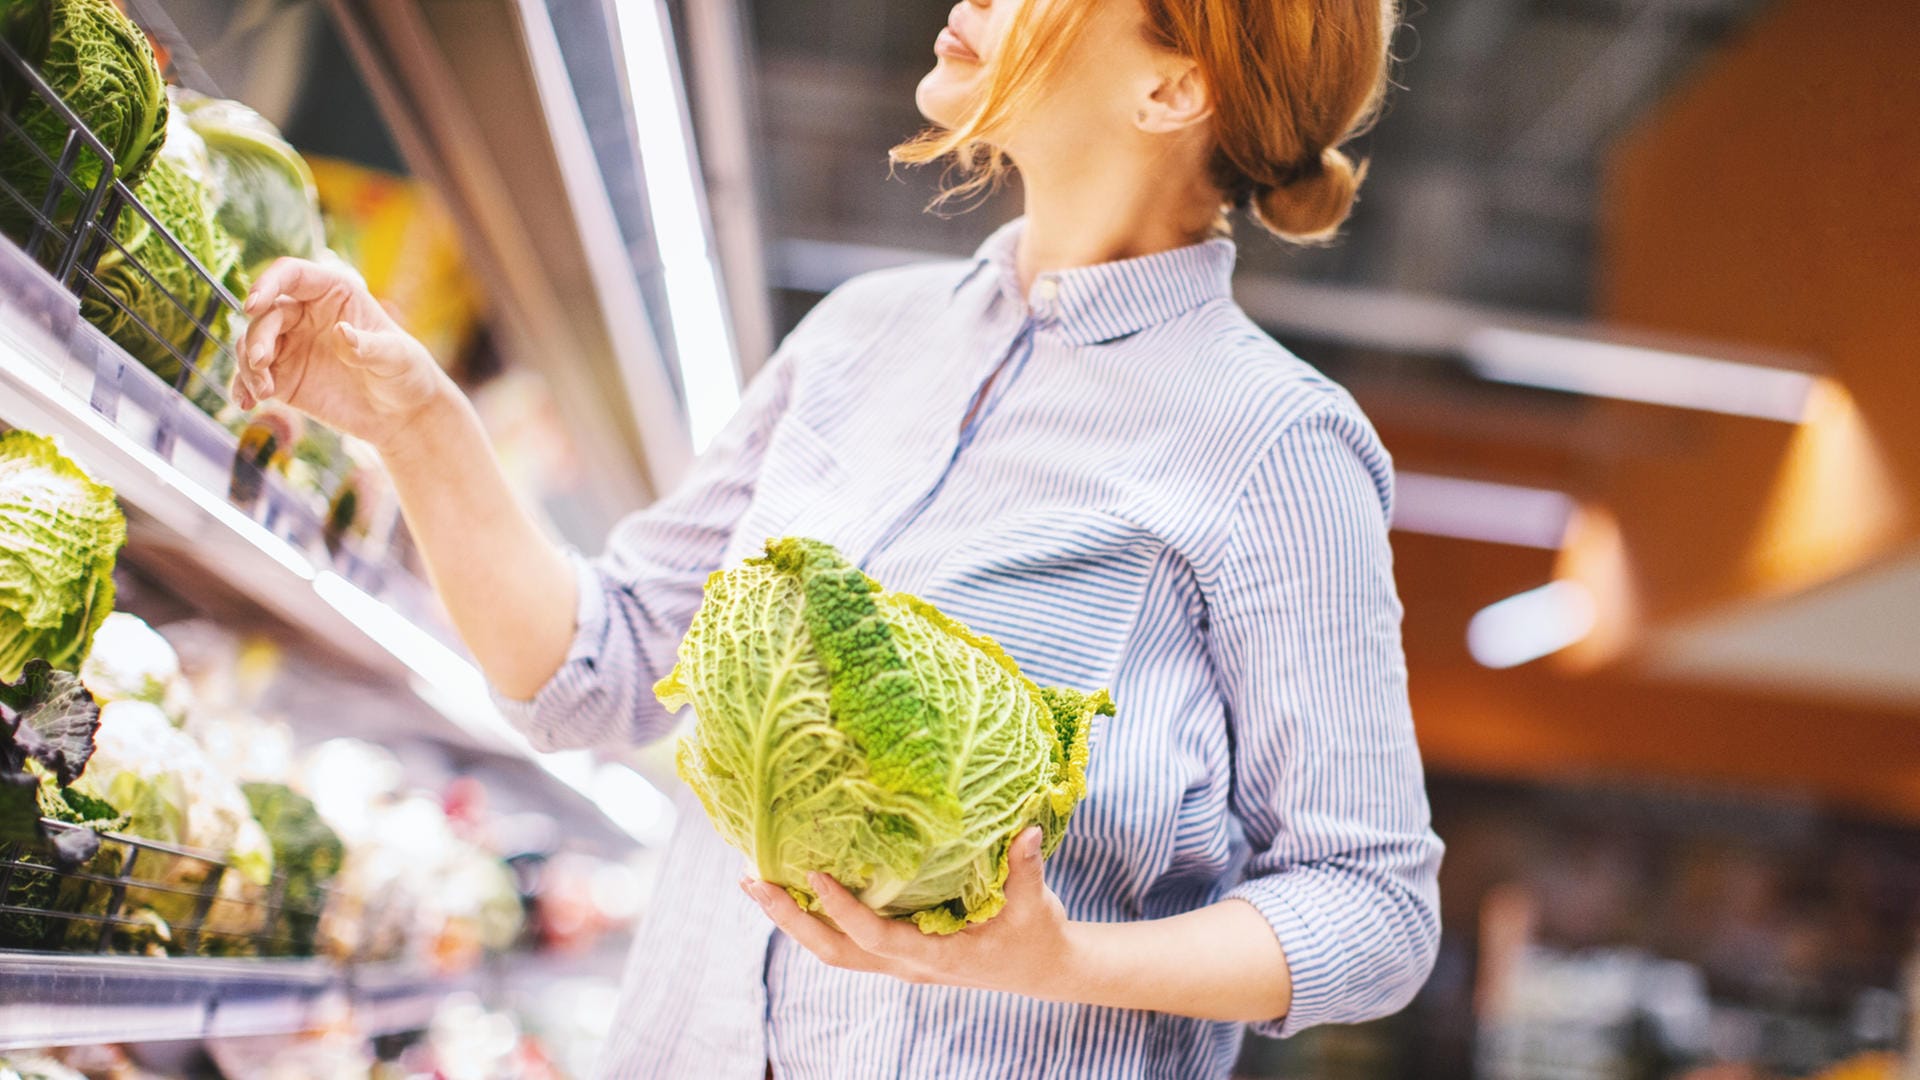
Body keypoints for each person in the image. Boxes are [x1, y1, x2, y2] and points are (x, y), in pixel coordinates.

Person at [231, 0, 1441, 1075]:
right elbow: (595, 674)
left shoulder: (1278, 445)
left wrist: (1058, 961)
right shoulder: (861, 338)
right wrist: (417, 421)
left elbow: (1373, 907)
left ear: (1172, 87)